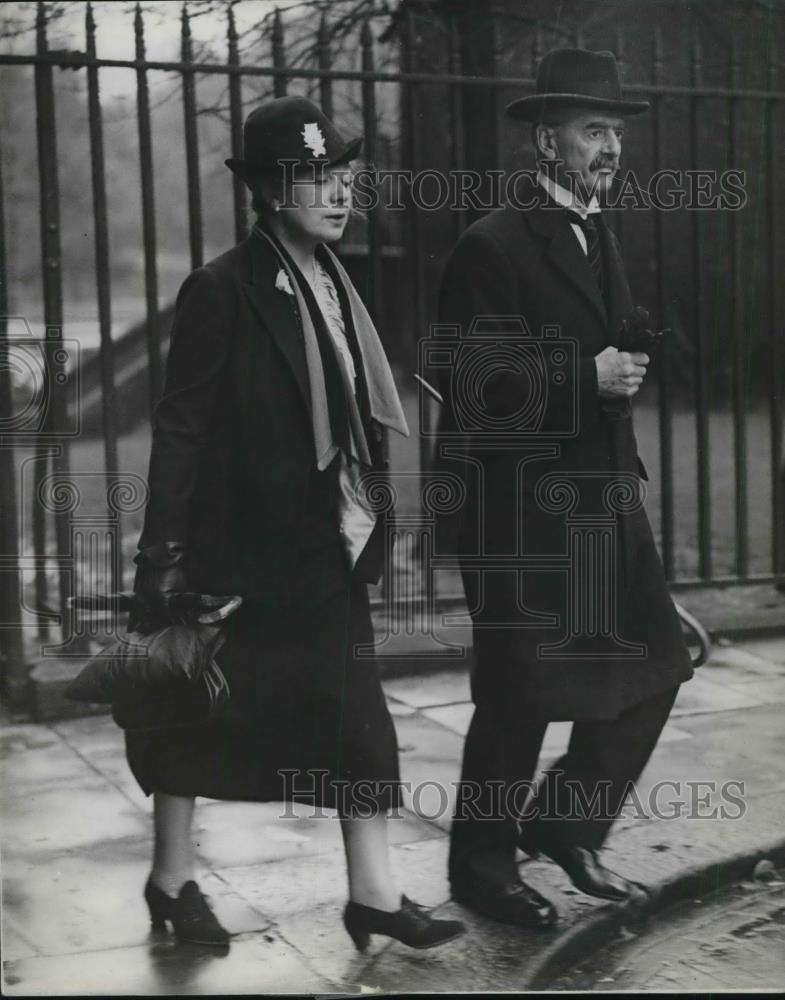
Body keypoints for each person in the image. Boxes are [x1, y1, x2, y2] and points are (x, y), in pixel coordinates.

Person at [126, 96, 464, 952]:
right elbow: (181, 427)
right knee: (193, 716)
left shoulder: (337, 285)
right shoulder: (221, 289)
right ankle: (170, 881)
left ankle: (375, 895)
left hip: (324, 548)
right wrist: (163, 558)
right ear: (272, 193)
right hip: (238, 558)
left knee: (356, 719)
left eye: (344, 176)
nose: (339, 193)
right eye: (316, 178)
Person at [431, 49, 694, 929]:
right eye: (592, 131)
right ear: (545, 141)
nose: (609, 148)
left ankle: (566, 821)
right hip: (519, 505)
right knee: (518, 693)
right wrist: (587, 375)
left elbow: (607, 343)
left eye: (615, 132)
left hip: (604, 496)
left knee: (660, 656)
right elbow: (474, 387)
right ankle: (481, 868)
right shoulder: (491, 243)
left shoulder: (595, 228)